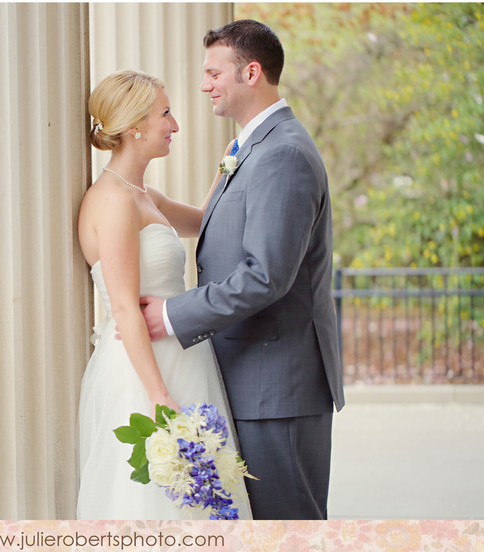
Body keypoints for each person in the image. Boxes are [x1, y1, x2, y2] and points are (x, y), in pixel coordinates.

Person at [140, 20, 345, 520]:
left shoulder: (283, 154)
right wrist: (141, 200)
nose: (205, 84)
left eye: (214, 73)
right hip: (254, 377)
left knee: (287, 528)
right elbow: (221, 229)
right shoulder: (250, 147)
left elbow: (265, 275)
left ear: (251, 73)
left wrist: (171, 315)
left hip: (277, 387)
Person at [76, 70, 252, 520]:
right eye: (166, 114)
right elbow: (123, 307)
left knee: (203, 500)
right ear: (134, 125)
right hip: (146, 370)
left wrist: (228, 168)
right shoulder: (113, 201)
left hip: (184, 355)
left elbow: (203, 221)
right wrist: (158, 395)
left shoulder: (142, 193)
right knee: (157, 503)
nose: (174, 125)